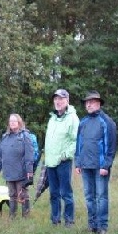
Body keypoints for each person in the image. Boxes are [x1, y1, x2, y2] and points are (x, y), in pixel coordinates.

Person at [74, 91, 117, 234]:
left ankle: (102, 226)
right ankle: (92, 225)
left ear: (98, 103)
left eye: (91, 102)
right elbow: (79, 144)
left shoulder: (107, 122)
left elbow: (111, 147)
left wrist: (106, 165)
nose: (88, 104)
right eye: (87, 102)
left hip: (100, 167)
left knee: (101, 196)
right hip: (85, 166)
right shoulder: (83, 122)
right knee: (89, 196)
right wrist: (78, 162)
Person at [44, 88, 79, 226]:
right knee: (53, 193)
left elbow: (76, 140)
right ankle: (55, 219)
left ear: (67, 101)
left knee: (66, 193)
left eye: (61, 99)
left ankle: (69, 220)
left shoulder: (73, 118)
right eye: (56, 99)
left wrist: (66, 155)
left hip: (63, 161)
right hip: (50, 161)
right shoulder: (52, 118)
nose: (58, 102)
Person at [0, 113, 35, 219]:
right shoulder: (5, 136)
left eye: (14, 121)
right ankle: (12, 216)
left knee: (23, 194)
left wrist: (29, 170)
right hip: (8, 171)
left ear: (19, 122)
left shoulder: (25, 136)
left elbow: (29, 154)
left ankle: (25, 217)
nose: (12, 123)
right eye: (10, 121)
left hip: (21, 171)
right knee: (11, 195)